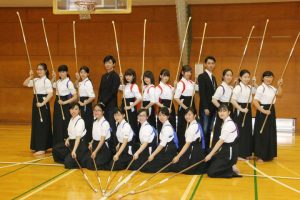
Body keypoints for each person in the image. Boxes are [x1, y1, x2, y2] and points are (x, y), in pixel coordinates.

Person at [23, 63, 53, 156]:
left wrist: (42, 103)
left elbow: (50, 94)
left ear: (45, 71)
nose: (39, 71)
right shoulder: (35, 80)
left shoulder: (47, 81)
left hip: (43, 104)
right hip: (36, 102)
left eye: (41, 69)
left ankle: (42, 148)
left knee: (42, 125)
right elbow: (25, 83)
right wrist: (30, 76)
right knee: (36, 124)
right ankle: (36, 146)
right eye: (38, 69)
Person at [253, 71, 283, 162]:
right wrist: (264, 111)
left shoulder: (272, 87)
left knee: (270, 132)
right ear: (263, 78)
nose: (269, 79)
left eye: (270, 77)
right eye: (267, 77)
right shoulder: (261, 88)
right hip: (263, 111)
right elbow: (255, 101)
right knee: (262, 133)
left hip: (271, 110)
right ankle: (260, 155)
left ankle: (269, 154)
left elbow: (279, 94)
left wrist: (280, 85)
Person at [205, 104, 241, 178]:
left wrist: (210, 155)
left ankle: (230, 168)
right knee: (209, 153)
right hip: (224, 150)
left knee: (211, 172)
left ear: (229, 112)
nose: (221, 113)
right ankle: (228, 166)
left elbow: (220, 142)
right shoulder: (225, 122)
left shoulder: (228, 124)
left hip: (229, 153)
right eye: (220, 111)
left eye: (224, 111)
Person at [141, 107, 178, 173]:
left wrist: (152, 155)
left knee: (149, 168)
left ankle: (169, 167)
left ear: (168, 116)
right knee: (147, 164)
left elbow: (162, 144)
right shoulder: (164, 125)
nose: (161, 117)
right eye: (160, 115)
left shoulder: (167, 128)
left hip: (168, 152)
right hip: (164, 150)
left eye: (164, 115)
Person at [52, 103, 88, 169]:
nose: (73, 111)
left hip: (79, 145)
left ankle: (77, 160)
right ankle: (69, 158)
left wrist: (74, 150)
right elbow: (72, 134)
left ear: (79, 110)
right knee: (55, 149)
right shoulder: (71, 119)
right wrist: (68, 139)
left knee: (68, 163)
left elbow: (78, 138)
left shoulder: (80, 121)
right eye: (71, 109)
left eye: (76, 109)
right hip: (71, 142)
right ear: (69, 110)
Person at [231, 69, 257, 160]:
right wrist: (241, 109)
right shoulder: (238, 87)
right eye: (245, 77)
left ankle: (246, 152)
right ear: (240, 78)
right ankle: (238, 154)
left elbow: (259, 91)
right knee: (240, 132)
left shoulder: (249, 87)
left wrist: (254, 83)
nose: (247, 79)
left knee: (247, 131)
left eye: (248, 77)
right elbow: (232, 100)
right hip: (240, 110)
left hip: (248, 110)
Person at [172, 108, 206, 174]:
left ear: (195, 115)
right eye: (186, 114)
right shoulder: (193, 124)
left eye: (189, 114)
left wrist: (178, 156)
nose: (187, 116)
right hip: (194, 149)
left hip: (194, 151)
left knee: (177, 167)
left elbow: (187, 144)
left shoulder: (193, 127)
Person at [98, 55, 120, 146]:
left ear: (114, 64)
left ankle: (113, 146)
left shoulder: (116, 76)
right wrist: (99, 103)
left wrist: (104, 102)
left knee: (111, 126)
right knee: (103, 126)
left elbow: (113, 91)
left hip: (111, 106)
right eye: (106, 63)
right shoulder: (104, 76)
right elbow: (100, 90)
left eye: (109, 62)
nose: (107, 64)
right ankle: (104, 145)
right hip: (102, 106)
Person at [52, 65, 77, 146]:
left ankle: (64, 144)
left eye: (63, 71)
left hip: (65, 104)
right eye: (60, 72)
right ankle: (57, 144)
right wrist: (53, 77)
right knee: (57, 123)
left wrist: (64, 102)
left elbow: (75, 96)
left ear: (66, 72)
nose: (61, 73)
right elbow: (50, 85)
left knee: (64, 124)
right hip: (57, 103)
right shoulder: (58, 81)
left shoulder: (68, 82)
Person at [197, 56, 217, 150]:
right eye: (209, 63)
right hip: (206, 109)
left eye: (212, 63)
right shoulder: (202, 76)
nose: (211, 65)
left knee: (209, 129)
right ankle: (202, 148)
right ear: (205, 64)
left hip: (213, 109)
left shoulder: (213, 77)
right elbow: (202, 93)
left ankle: (207, 148)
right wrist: (205, 107)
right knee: (204, 129)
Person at [174, 65, 196, 149]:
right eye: (187, 71)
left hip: (191, 103)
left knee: (192, 125)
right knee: (182, 127)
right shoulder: (180, 83)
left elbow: (197, 88)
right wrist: (186, 108)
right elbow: (176, 97)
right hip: (184, 106)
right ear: (182, 72)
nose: (189, 73)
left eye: (190, 72)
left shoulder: (191, 82)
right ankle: (181, 147)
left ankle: (190, 146)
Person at [86, 103, 112, 170]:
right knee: (86, 162)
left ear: (103, 112)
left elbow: (102, 140)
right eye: (95, 110)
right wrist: (91, 143)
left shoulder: (105, 123)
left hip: (103, 146)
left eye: (99, 110)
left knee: (93, 166)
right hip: (95, 144)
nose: (96, 112)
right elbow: (95, 137)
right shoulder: (95, 122)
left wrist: (95, 152)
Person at [211, 69, 233, 147]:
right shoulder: (221, 87)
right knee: (220, 130)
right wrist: (221, 110)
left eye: (230, 75)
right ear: (223, 76)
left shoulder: (230, 87)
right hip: (224, 110)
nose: (229, 77)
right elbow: (213, 99)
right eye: (227, 75)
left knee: (228, 129)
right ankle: (216, 151)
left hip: (229, 108)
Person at [119, 68, 142, 138]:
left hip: (130, 105)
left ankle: (134, 140)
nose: (128, 77)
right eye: (126, 75)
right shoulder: (124, 85)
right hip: (124, 104)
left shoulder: (134, 86)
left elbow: (139, 98)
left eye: (130, 75)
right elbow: (119, 88)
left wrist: (130, 107)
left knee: (131, 123)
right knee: (124, 122)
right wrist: (121, 79)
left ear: (133, 77)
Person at [75, 66, 95, 144]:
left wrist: (84, 103)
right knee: (81, 122)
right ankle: (83, 140)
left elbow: (93, 96)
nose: (82, 74)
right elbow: (75, 86)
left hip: (86, 103)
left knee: (87, 122)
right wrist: (77, 78)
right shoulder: (81, 82)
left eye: (84, 72)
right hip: (81, 103)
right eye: (81, 72)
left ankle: (88, 141)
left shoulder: (88, 83)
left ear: (88, 74)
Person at [155, 69, 176, 134]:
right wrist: (166, 108)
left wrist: (175, 86)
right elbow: (155, 101)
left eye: (167, 76)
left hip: (171, 105)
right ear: (161, 76)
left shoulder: (169, 86)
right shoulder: (158, 87)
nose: (166, 77)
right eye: (164, 75)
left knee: (172, 124)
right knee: (163, 125)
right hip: (163, 107)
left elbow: (175, 93)